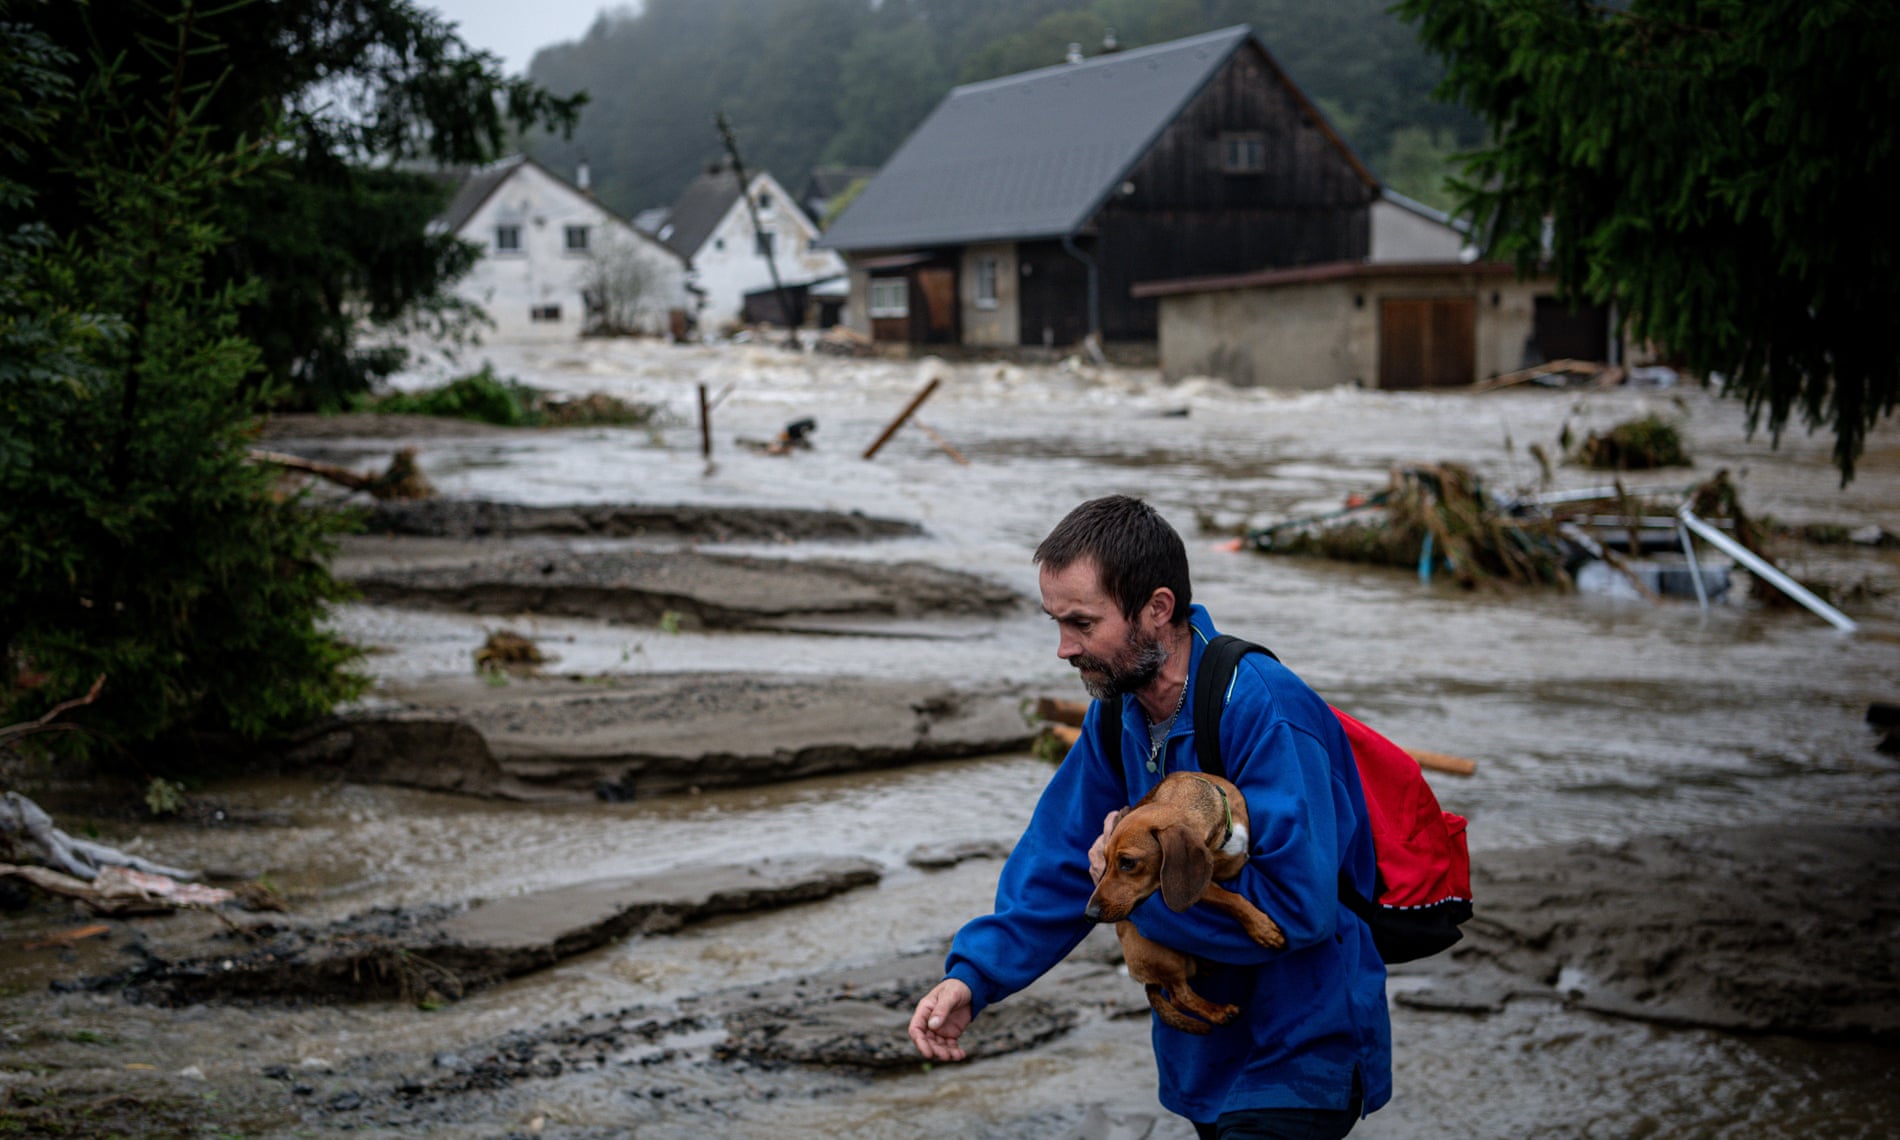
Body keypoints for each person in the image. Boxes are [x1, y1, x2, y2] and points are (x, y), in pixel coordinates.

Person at [907, 495, 1390, 1139]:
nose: (1062, 648)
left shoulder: (1266, 709)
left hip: (1300, 1054)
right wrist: (975, 976)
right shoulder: (1122, 710)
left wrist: (1134, 893)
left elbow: (1298, 912)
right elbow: (1059, 857)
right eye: (1055, 621)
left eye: (1082, 623)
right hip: (1205, 1055)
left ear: (1158, 610)